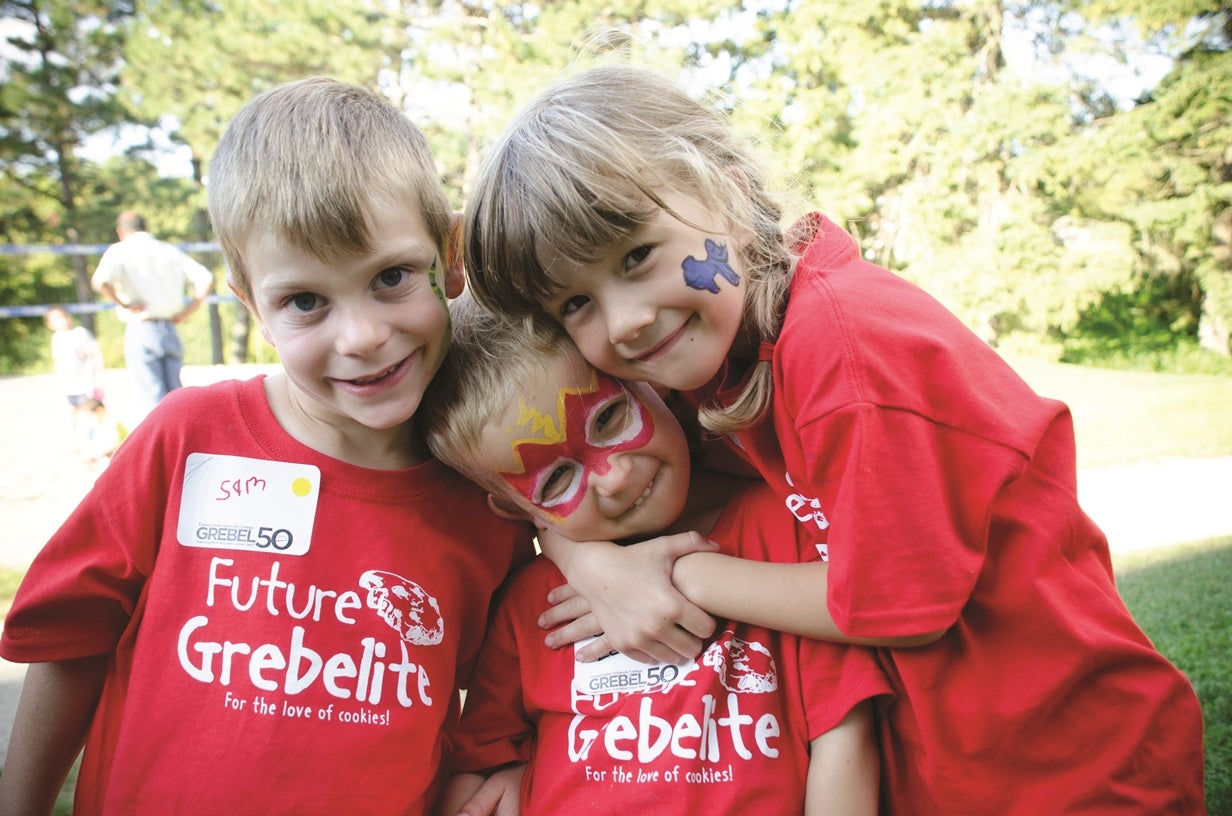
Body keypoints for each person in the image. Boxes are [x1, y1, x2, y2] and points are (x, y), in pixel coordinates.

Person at [461, 63, 1207, 814]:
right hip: (958, 771)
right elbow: (626, 496)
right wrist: (587, 561)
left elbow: (900, 605)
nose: (624, 321)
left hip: (1073, 764)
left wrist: (676, 580)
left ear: (731, 190)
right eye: (577, 303)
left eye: (636, 256)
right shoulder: (723, 361)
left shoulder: (843, 347)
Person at [0, 77, 534, 815]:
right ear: (250, 300)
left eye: (391, 277)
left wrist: (510, 766)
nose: (363, 336)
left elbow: (515, 688)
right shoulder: (187, 439)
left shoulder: (493, 491)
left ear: (449, 254)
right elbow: (69, 640)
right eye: (305, 301)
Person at [419, 294, 890, 816]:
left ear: (648, 379)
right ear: (518, 511)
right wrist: (507, 775)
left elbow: (841, 728)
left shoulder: (783, 529)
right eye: (556, 478)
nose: (615, 477)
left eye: (608, 419)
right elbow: (479, 763)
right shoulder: (535, 602)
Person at [91, 209, 216, 417]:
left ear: (121, 231)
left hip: (142, 327)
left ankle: (161, 448)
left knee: (151, 399)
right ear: (146, 227)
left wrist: (122, 303)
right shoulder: (169, 251)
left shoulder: (120, 250)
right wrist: (188, 311)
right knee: (177, 397)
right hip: (170, 327)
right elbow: (206, 278)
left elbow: (99, 282)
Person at [42, 305, 105, 446]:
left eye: (63, 316)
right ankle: (75, 443)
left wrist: (98, 378)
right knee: (71, 415)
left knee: (89, 415)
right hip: (69, 386)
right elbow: (57, 361)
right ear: (49, 324)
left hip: (86, 383)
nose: (62, 321)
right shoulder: (56, 338)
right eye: (56, 319)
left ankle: (91, 443)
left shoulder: (81, 333)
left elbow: (95, 354)